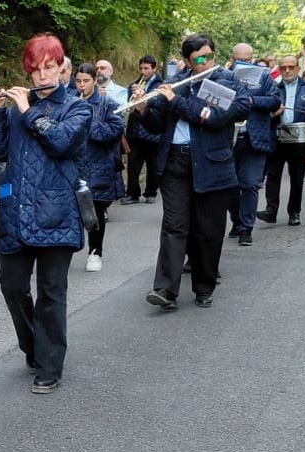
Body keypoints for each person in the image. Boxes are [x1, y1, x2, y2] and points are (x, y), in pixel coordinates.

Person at [0, 34, 91, 394]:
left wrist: (28, 113)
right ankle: (34, 346)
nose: (44, 75)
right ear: (27, 72)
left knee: (51, 291)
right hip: (16, 210)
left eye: (51, 67)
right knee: (11, 286)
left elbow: (61, 141)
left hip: (57, 211)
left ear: (62, 67)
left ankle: (50, 365)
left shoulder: (78, 107)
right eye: (36, 69)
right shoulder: (18, 108)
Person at [137, 34, 250, 309]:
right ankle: (165, 289)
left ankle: (204, 286)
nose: (206, 62)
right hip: (175, 162)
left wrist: (175, 100)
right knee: (174, 226)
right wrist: (142, 108)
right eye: (199, 58)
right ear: (187, 61)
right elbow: (156, 126)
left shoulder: (227, 81)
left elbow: (215, 117)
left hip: (212, 164)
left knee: (207, 230)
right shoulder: (176, 83)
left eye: (209, 56)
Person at [227, 43, 280, 247]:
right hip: (227, 138)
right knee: (229, 187)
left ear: (252, 58)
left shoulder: (264, 77)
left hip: (254, 138)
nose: (243, 63)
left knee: (249, 184)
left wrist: (251, 101)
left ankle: (245, 228)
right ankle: (237, 219)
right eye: (239, 59)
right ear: (232, 58)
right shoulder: (223, 75)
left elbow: (275, 101)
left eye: (247, 60)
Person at [257, 54, 305, 226]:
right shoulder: (273, 88)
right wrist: (272, 114)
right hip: (278, 136)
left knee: (297, 177)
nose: (287, 70)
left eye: (291, 67)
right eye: (283, 67)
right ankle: (271, 211)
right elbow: (263, 113)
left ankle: (294, 212)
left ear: (298, 68)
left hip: (299, 139)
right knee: (273, 175)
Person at [82, 65, 126, 272]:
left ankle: (95, 251)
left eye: (86, 81)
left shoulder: (107, 103)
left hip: (99, 163)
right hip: (75, 163)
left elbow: (115, 130)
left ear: (94, 80)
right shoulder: (70, 101)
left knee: (96, 211)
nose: (82, 85)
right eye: (78, 81)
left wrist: (89, 124)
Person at [123, 55, 163, 204]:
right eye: (141, 68)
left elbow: (159, 102)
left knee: (152, 164)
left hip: (152, 129)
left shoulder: (160, 85)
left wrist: (144, 95)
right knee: (133, 163)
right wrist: (133, 94)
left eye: (146, 68)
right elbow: (129, 104)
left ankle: (151, 192)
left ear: (154, 69)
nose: (143, 71)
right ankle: (132, 193)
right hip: (136, 130)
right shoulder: (134, 84)